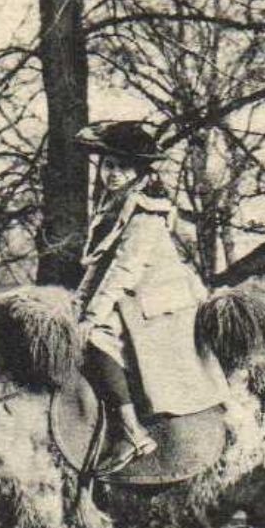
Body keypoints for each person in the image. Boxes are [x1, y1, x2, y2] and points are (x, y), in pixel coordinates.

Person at [73, 120, 211, 472]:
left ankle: (132, 432)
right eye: (108, 165)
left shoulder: (147, 211)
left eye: (122, 167)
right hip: (133, 296)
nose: (113, 174)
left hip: (160, 304)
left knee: (98, 340)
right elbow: (97, 267)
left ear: (138, 172)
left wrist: (90, 319)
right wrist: (75, 308)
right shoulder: (113, 206)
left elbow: (124, 268)